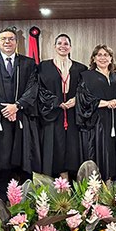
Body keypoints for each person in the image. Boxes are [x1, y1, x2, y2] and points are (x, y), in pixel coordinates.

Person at [0, 26, 41, 199]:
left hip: (21, 118)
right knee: (0, 160)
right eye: (3, 39)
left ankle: (26, 201)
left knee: (22, 157)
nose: (7, 42)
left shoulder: (28, 63)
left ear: (16, 42)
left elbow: (33, 88)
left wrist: (17, 106)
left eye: (11, 39)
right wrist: (4, 108)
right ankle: (0, 200)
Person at [37, 34, 87, 178]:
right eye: (59, 43)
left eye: (66, 44)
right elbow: (40, 89)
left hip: (73, 115)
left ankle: (74, 184)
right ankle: (58, 186)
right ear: (54, 46)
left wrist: (77, 99)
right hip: (53, 115)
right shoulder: (44, 66)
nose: (62, 46)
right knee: (55, 148)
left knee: (73, 150)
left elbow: (85, 90)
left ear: (70, 47)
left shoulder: (80, 68)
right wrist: (56, 102)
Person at [76, 44, 116, 180]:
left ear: (111, 58)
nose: (102, 58)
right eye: (99, 55)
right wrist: (106, 103)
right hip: (97, 122)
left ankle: (114, 186)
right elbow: (83, 99)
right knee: (100, 152)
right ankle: (98, 186)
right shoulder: (86, 76)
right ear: (93, 58)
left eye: (106, 55)